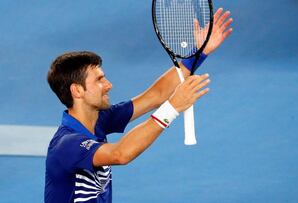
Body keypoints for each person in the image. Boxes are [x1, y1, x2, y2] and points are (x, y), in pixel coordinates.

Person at [44, 8, 233, 203]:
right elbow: (120, 154)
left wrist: (199, 54)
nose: (109, 85)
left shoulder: (99, 119)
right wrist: (172, 108)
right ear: (77, 91)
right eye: (99, 80)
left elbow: (155, 95)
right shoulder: (67, 145)